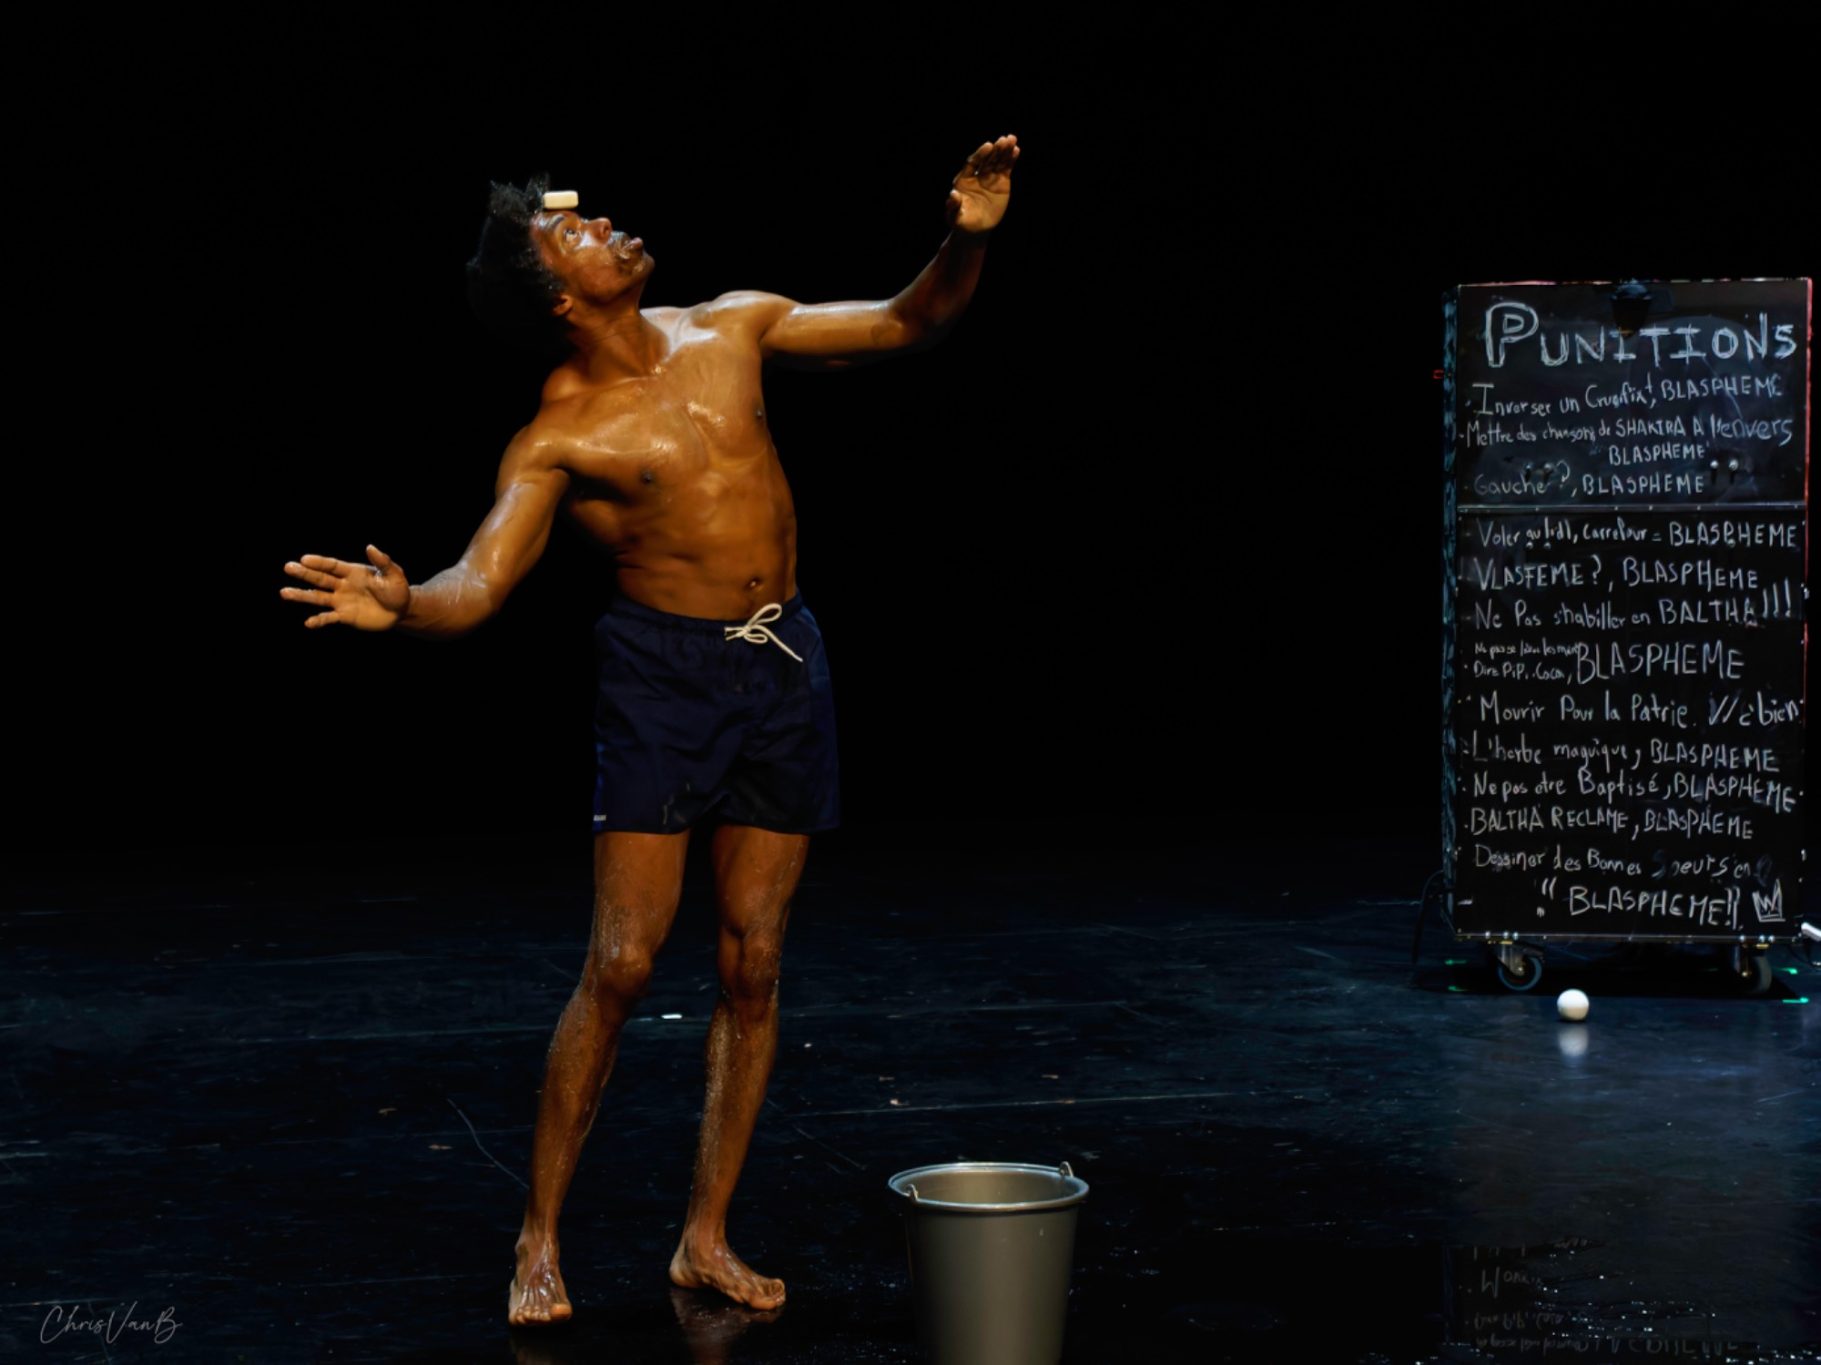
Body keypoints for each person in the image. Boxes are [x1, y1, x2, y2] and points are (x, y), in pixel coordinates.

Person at [278, 134, 1020, 1326]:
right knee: (623, 965)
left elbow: (905, 323)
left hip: (783, 662)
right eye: (575, 232)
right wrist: (408, 604)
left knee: (755, 963)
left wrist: (964, 240)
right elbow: (480, 580)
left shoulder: (730, 324)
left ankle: (704, 1239)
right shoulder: (561, 435)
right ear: (560, 299)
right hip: (661, 680)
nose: (608, 224)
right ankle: (538, 1240)